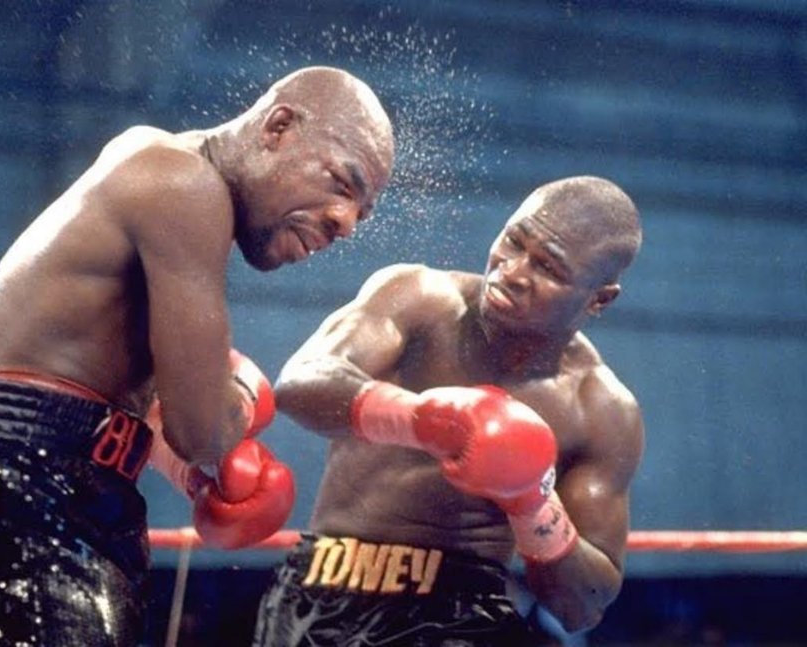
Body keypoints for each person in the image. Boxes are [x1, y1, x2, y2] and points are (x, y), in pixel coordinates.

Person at [0, 66, 395, 646]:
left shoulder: (164, 182)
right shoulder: (184, 182)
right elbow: (202, 429)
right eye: (342, 183)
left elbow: (98, 392)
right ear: (278, 127)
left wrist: (191, 476)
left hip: (49, 480)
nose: (347, 222)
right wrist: (239, 395)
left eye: (364, 210)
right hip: (16, 480)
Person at [253, 176, 644, 646]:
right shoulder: (419, 298)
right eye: (513, 242)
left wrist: (533, 503)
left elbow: (584, 604)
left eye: (547, 268)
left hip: (457, 618)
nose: (512, 271)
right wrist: (422, 420)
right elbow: (300, 381)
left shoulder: (600, 410)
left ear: (599, 298)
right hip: (321, 588)